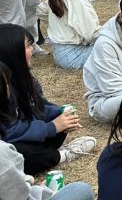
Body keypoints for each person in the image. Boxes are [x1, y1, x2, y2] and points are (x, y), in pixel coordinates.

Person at [0, 25, 97, 175]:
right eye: (27, 46)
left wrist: (60, 114)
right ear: (12, 52)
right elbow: (8, 132)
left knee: (58, 122)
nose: (32, 50)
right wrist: (51, 127)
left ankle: (46, 152)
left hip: (24, 132)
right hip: (7, 143)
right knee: (19, 153)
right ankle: (61, 156)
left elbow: (39, 106)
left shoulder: (24, 78)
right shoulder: (3, 87)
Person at [36, 0, 99, 69]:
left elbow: (40, 10)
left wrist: (58, 26)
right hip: (74, 54)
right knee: (116, 46)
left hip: (61, 53)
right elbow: (92, 34)